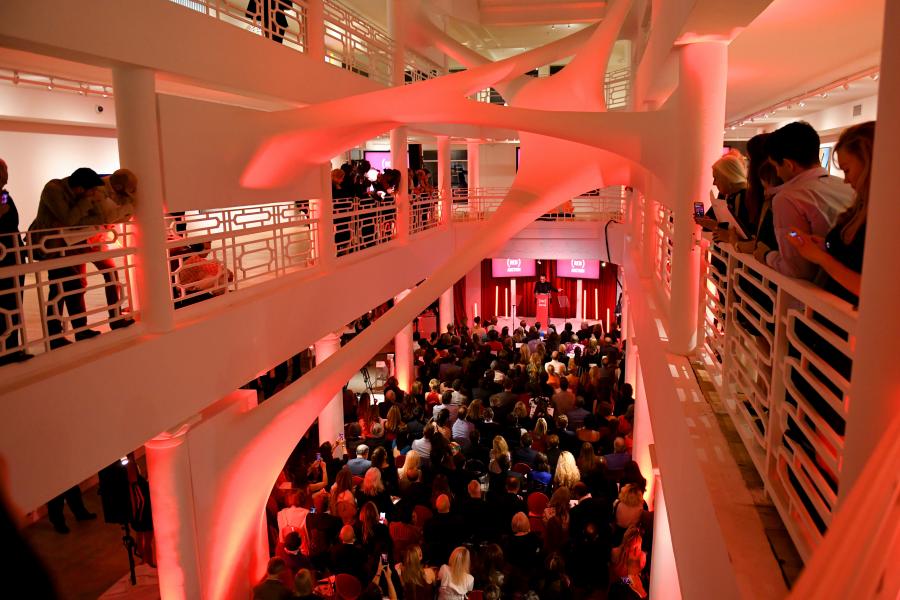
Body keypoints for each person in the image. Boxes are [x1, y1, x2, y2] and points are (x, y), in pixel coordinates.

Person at [787, 121, 874, 304]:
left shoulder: (883, 218)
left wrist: (821, 257)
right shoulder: (861, 208)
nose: (846, 180)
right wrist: (824, 247)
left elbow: (869, 287)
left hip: (847, 321)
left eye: (847, 170)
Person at [758, 121, 854, 280]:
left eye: (776, 167)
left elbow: (797, 269)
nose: (778, 174)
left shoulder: (787, 198)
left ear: (788, 164)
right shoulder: (846, 187)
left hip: (819, 292)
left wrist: (766, 255)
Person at [30, 168, 110, 348]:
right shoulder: (53, 190)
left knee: (70, 286)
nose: (94, 194)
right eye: (91, 191)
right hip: (50, 246)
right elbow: (68, 219)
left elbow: (99, 218)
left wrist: (74, 219)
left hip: (69, 245)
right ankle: (60, 334)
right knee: (62, 288)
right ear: (81, 189)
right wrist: (84, 206)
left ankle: (71, 332)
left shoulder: (75, 195)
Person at [0, 158, 33, 364]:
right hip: (4, 257)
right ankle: (6, 350)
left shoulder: (5, 196)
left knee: (14, 303)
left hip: (13, 256)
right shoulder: (3, 197)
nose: (5, 174)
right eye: (1, 170)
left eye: (5, 169)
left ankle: (14, 348)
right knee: (4, 304)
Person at [609, 525, 648, 599]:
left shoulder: (642, 557)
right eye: (634, 548)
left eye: (639, 548)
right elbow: (615, 579)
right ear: (627, 546)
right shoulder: (615, 554)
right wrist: (629, 580)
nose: (637, 551)